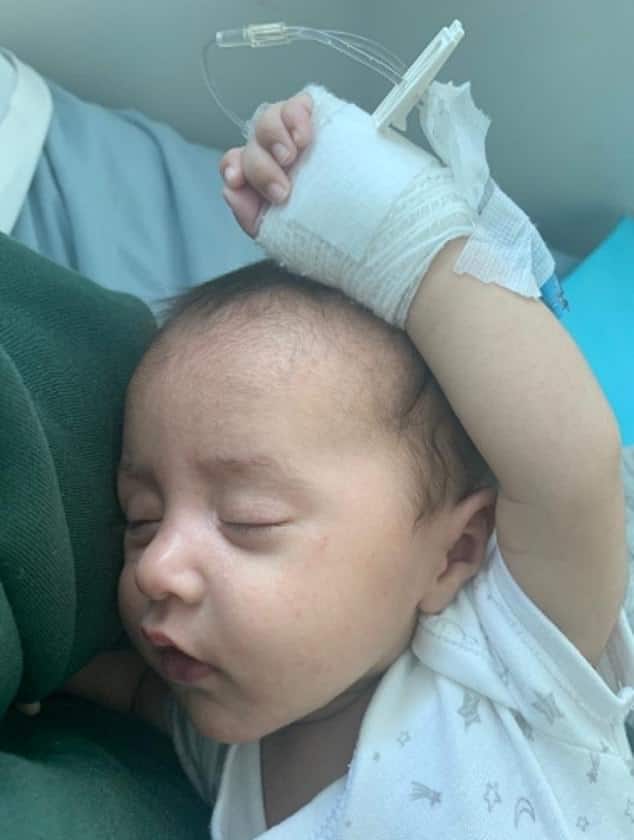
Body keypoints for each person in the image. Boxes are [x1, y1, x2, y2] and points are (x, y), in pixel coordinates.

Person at [61, 88, 634, 838]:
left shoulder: (504, 664)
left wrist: (386, 221)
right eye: (141, 520)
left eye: (246, 520)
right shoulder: (234, 746)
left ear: (452, 553)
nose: (156, 569)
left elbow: (568, 468)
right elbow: (145, 698)